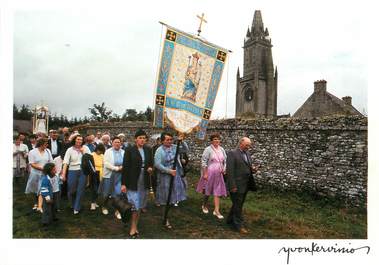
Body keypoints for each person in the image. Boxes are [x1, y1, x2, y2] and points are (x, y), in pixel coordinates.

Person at [121, 129, 153, 238]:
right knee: (134, 204)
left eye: (144, 138)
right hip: (132, 180)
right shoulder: (130, 150)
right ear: (135, 139)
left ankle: (135, 224)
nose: (142, 140)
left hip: (144, 180)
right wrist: (123, 184)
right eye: (140, 138)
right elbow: (125, 168)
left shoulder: (148, 150)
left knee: (139, 205)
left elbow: (151, 164)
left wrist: (150, 168)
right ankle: (133, 227)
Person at [225, 137, 258, 234]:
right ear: (241, 143)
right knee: (238, 205)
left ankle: (230, 219)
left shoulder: (247, 153)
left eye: (249, 145)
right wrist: (232, 186)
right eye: (247, 145)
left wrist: (253, 170)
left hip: (246, 184)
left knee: (238, 203)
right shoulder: (232, 153)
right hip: (236, 185)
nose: (249, 146)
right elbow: (230, 171)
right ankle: (239, 225)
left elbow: (247, 167)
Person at [196, 133, 227, 219]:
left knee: (217, 191)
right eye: (214, 139)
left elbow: (225, 160)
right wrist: (205, 173)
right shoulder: (208, 149)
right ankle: (204, 205)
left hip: (219, 174)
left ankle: (216, 211)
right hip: (209, 173)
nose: (217, 140)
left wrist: (224, 168)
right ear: (211, 141)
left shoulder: (222, 149)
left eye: (218, 139)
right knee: (207, 191)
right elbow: (204, 161)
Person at [154, 132, 187, 207]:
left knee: (175, 186)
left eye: (171, 139)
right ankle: (163, 201)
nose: (169, 141)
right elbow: (157, 164)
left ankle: (174, 200)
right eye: (167, 140)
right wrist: (169, 171)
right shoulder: (159, 150)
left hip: (175, 171)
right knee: (165, 187)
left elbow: (185, 150)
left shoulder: (175, 147)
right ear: (162, 141)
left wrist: (182, 141)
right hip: (165, 172)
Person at [61, 134, 91, 215]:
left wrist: (83, 152)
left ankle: (77, 207)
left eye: (81, 140)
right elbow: (65, 162)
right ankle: (73, 204)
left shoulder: (86, 148)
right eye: (78, 139)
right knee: (71, 190)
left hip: (83, 171)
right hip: (72, 171)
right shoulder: (70, 150)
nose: (79, 141)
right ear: (74, 140)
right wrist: (63, 174)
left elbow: (89, 160)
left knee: (80, 190)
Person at [98, 136, 124, 219]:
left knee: (118, 193)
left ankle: (117, 210)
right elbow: (106, 163)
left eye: (119, 142)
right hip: (109, 175)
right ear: (112, 143)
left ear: (121, 143)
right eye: (115, 142)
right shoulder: (108, 152)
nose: (117, 143)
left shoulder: (123, 152)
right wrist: (116, 168)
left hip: (120, 176)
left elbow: (126, 161)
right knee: (106, 194)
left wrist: (123, 167)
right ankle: (104, 206)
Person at [25, 138, 53, 212]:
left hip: (45, 173)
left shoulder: (48, 151)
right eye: (45, 144)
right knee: (35, 189)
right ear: (41, 144)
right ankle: (35, 203)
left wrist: (48, 169)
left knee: (42, 188)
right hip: (35, 173)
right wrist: (41, 168)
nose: (47, 145)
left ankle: (41, 205)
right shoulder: (32, 152)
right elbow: (32, 163)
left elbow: (51, 161)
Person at [90, 143, 105, 210]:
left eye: (101, 151)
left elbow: (104, 164)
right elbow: (90, 165)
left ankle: (95, 202)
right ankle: (92, 203)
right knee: (94, 189)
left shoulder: (102, 156)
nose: (100, 152)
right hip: (94, 173)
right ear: (97, 149)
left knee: (98, 190)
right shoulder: (92, 154)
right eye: (99, 150)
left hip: (101, 173)